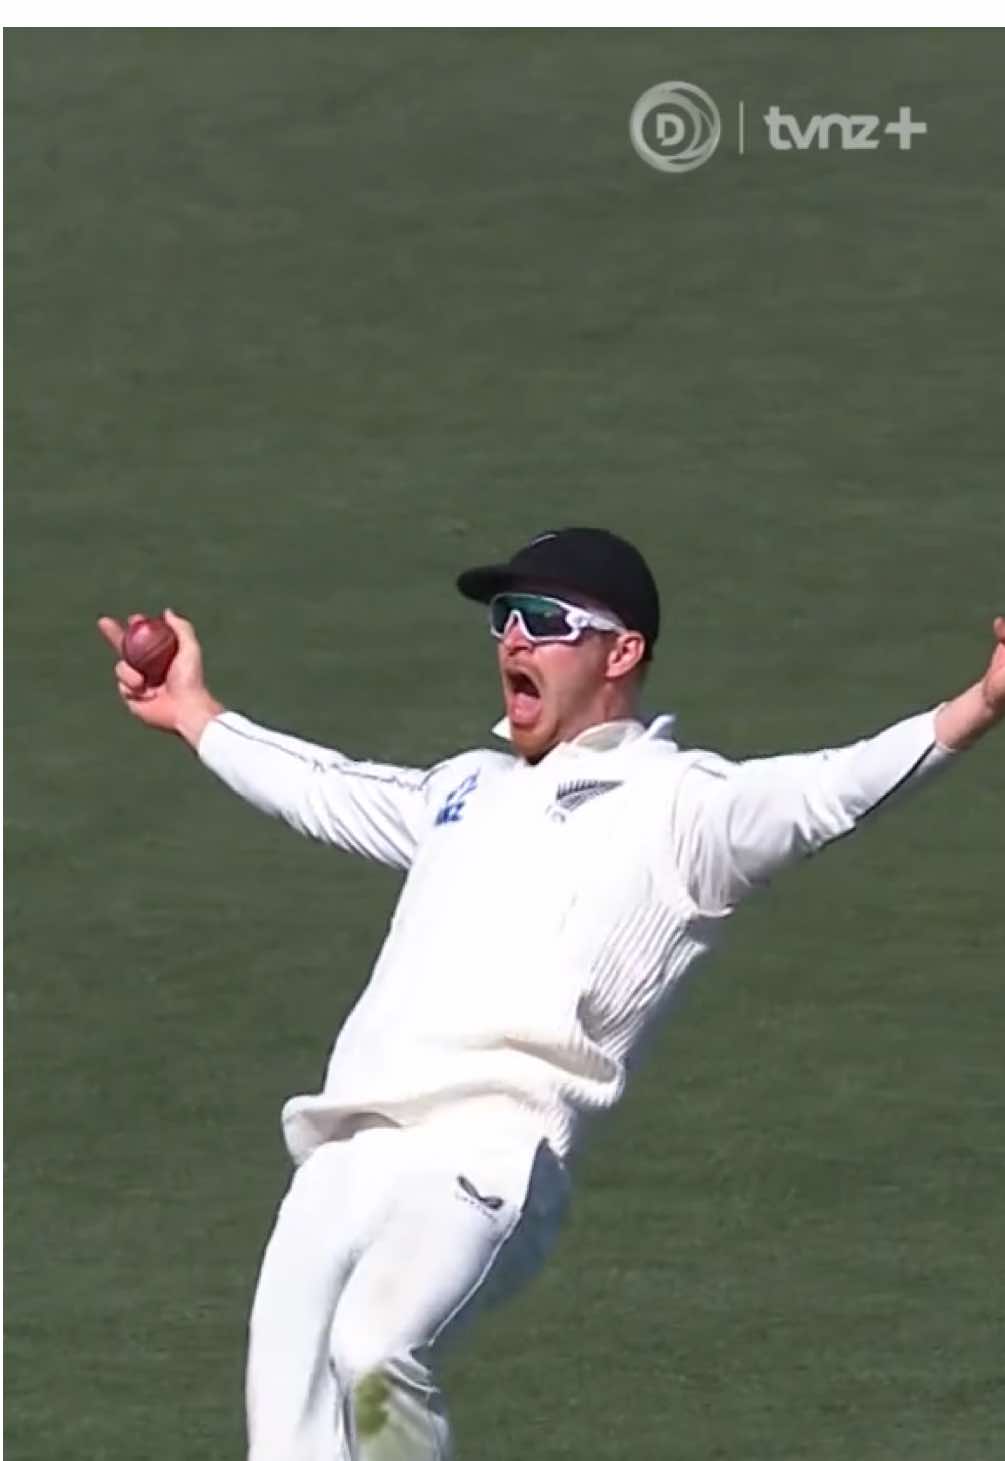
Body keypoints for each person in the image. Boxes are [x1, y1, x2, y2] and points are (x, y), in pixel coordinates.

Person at [98, 527, 1003, 1461]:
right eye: (503, 619)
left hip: (488, 1155)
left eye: (544, 620)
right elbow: (323, 787)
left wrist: (980, 702)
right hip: (343, 1149)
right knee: (287, 1439)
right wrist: (196, 711)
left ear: (622, 653)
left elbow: (829, 791)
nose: (513, 641)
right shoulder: (463, 789)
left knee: (374, 1350)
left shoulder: (686, 807)